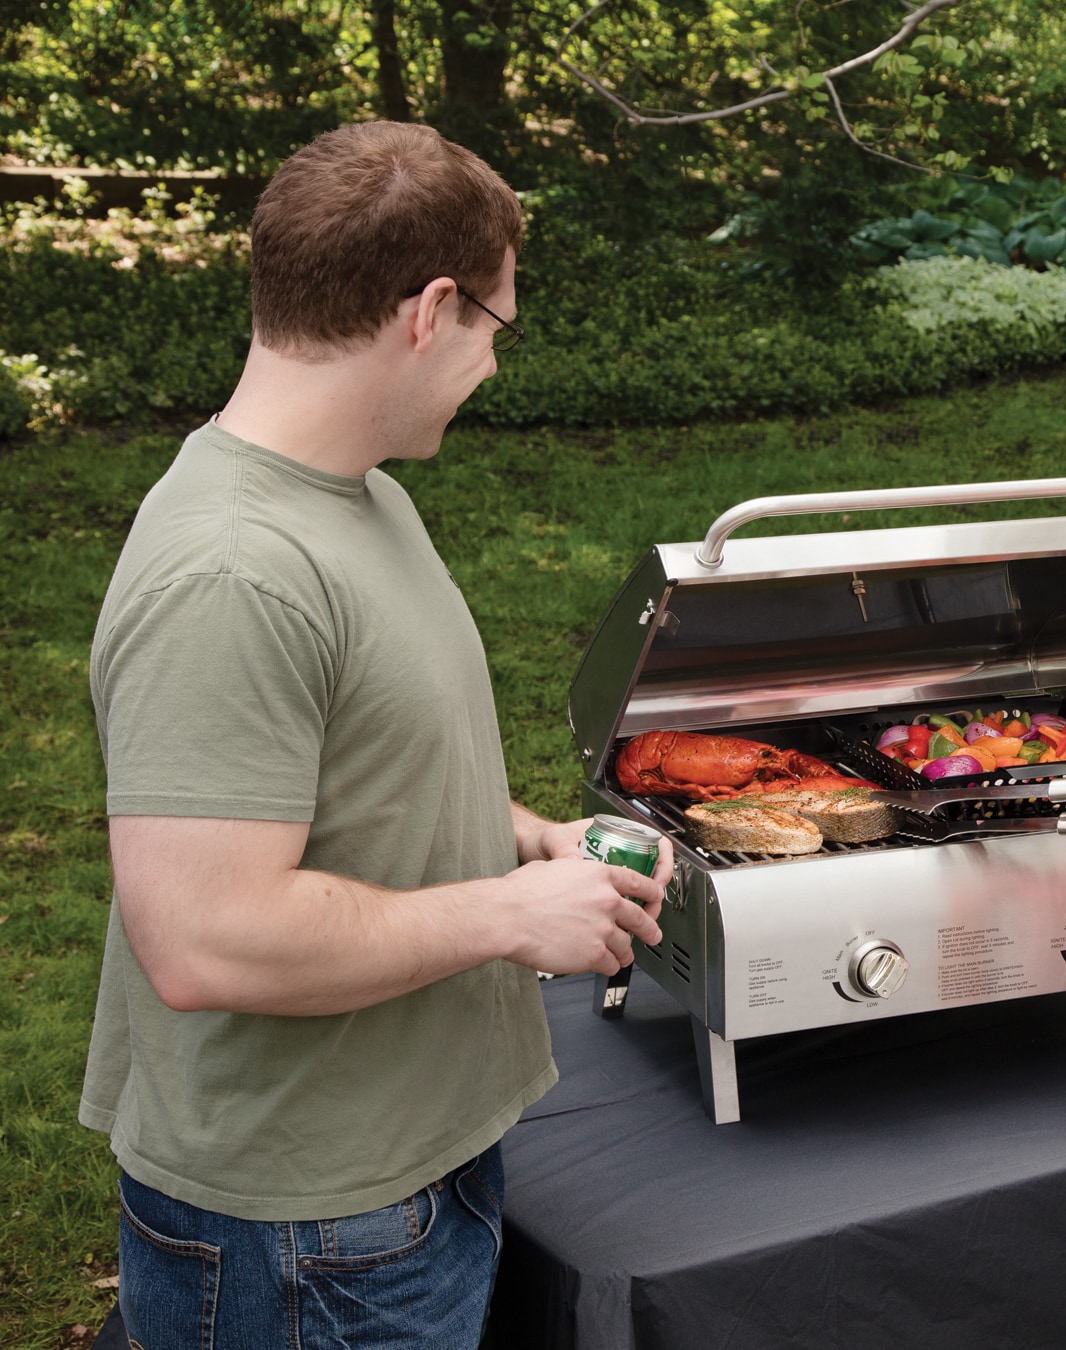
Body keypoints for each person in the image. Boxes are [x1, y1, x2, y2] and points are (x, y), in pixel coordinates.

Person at [83, 121, 665, 1348]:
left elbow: (347, 773)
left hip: (402, 1167)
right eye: (495, 329)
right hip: (303, 1234)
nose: (492, 368)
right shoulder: (234, 572)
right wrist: (508, 919)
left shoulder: (363, 500)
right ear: (432, 308)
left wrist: (526, 841)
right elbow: (204, 941)